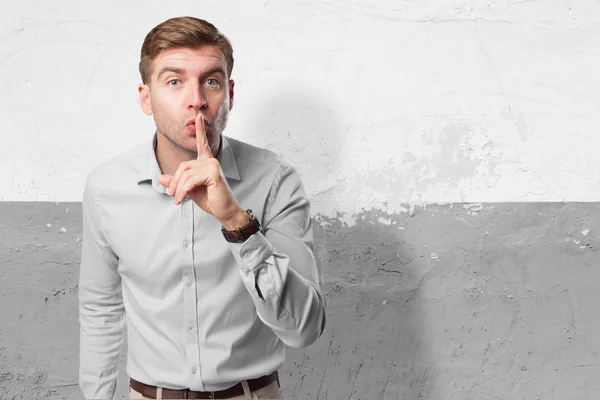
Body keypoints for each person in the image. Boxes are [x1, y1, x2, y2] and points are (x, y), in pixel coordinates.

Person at [78, 16, 327, 400]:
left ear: (229, 93)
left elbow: (304, 329)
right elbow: (101, 311)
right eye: (174, 81)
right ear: (146, 97)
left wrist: (236, 222)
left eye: (210, 81)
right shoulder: (106, 188)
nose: (196, 99)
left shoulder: (276, 181)